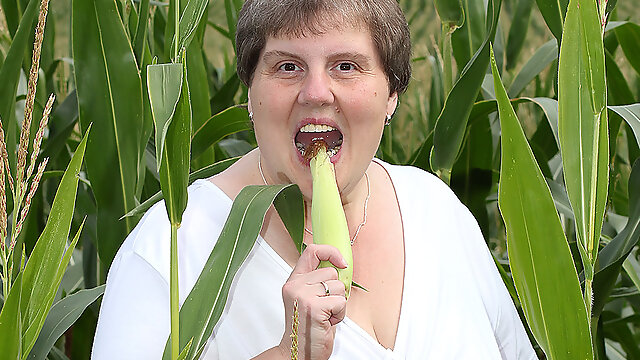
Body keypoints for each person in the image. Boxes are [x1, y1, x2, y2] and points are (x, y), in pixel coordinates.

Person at [92, 0, 537, 359]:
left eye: (346, 66)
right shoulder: (171, 247)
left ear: (392, 94)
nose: (316, 92)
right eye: (287, 66)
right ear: (249, 91)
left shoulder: (436, 210)